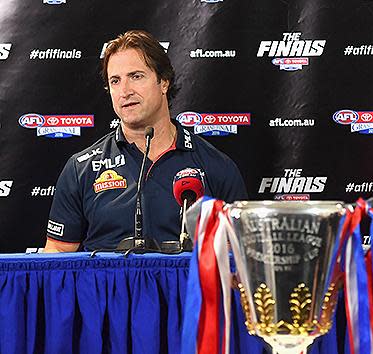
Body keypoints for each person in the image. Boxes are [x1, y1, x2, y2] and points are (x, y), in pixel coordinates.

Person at [44, 30, 247, 252]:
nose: (125, 91)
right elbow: (57, 255)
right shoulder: (80, 168)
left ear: (164, 82)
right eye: (115, 81)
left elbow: (237, 256)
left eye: (136, 76)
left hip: (185, 287)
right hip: (106, 288)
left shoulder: (216, 166)